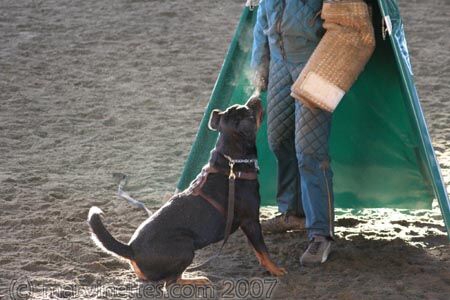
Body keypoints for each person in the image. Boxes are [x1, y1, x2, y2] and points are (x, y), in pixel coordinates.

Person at [251, 0, 334, 266]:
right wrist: (258, 76)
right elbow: (261, 26)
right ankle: (294, 213)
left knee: (309, 152)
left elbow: (347, 22)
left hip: (317, 65)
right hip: (279, 65)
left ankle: (321, 234)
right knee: (278, 140)